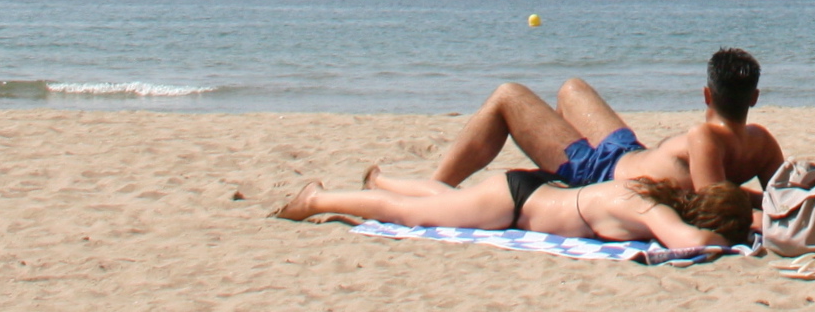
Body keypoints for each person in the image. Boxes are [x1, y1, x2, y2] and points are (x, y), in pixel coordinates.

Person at [365, 49, 783, 198]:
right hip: (628, 151)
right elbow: (778, 196)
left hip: (598, 172)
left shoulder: (703, 137)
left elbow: (712, 202)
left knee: (508, 95)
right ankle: (554, 155)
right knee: (572, 88)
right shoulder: (762, 141)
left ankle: (435, 189)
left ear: (706, 95)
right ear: (755, 98)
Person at [270, 170, 750, 250]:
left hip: (531, 191)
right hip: (515, 204)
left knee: (444, 201)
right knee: (409, 214)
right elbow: (691, 243)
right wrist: (733, 240)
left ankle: (380, 179)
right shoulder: (654, 213)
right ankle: (316, 199)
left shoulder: (660, 196)